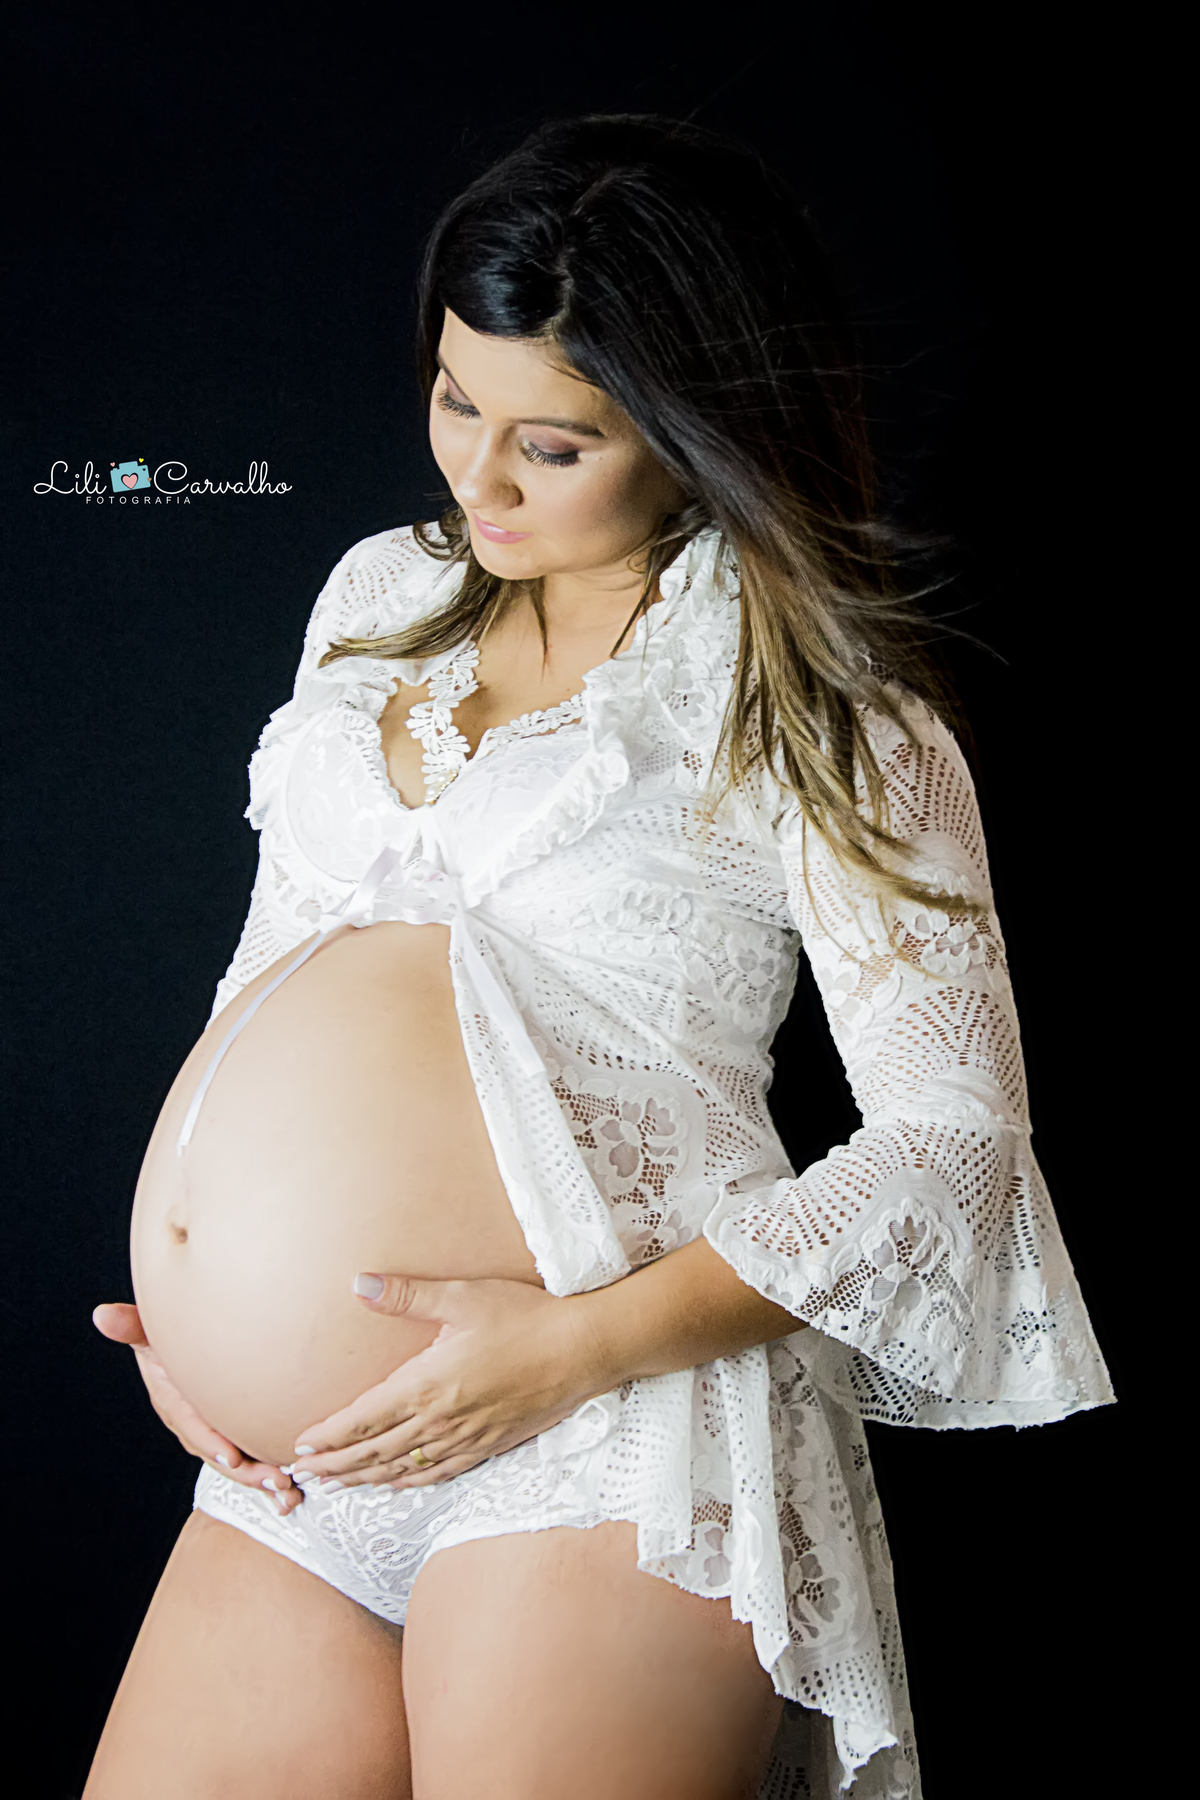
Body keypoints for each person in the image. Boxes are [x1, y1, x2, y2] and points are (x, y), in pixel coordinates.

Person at [84, 115, 1113, 1800]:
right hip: (295, 1475)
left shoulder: (825, 708)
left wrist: (571, 1350)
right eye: (454, 402)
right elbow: (275, 963)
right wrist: (199, 1312)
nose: (477, 481)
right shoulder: (375, 599)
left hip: (605, 1439)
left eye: (552, 445)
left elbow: (957, 1141)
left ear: (700, 431)